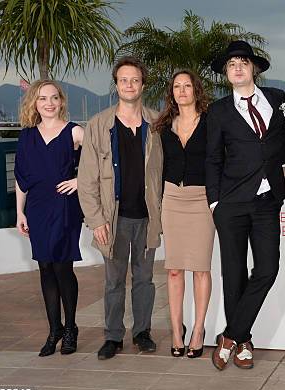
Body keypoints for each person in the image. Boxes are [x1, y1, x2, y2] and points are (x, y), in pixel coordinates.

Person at [206, 40, 285, 370]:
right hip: (231, 203)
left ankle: (230, 335)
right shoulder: (219, 111)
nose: (237, 68)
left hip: (267, 201)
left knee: (268, 269)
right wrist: (214, 202)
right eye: (231, 65)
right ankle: (244, 342)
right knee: (234, 273)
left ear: (253, 68)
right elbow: (213, 159)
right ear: (226, 73)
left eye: (242, 62)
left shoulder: (277, 99)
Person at [78, 56, 163, 360]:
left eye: (135, 80)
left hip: (147, 218)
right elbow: (86, 179)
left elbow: (164, 172)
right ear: (116, 85)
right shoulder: (99, 125)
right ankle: (113, 336)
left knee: (144, 280)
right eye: (123, 80)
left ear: (143, 84)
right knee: (114, 281)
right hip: (112, 220)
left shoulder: (156, 123)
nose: (129, 85)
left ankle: (142, 332)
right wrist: (96, 220)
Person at [15, 79, 84, 357]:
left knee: (62, 267)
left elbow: (103, 157)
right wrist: (19, 211)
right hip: (38, 207)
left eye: (54, 98)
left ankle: (70, 329)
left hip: (65, 206)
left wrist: (79, 180)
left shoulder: (75, 131)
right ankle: (54, 329)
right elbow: (22, 177)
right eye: (43, 98)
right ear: (34, 102)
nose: (49, 103)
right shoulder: (27, 135)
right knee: (45, 267)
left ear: (61, 101)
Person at [155, 70, 214, 358]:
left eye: (187, 86)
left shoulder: (211, 122)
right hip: (172, 199)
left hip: (202, 199)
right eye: (176, 86)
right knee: (175, 268)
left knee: (201, 268)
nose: (182, 91)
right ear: (172, 92)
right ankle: (177, 330)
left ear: (195, 90)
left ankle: (199, 329)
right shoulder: (163, 126)